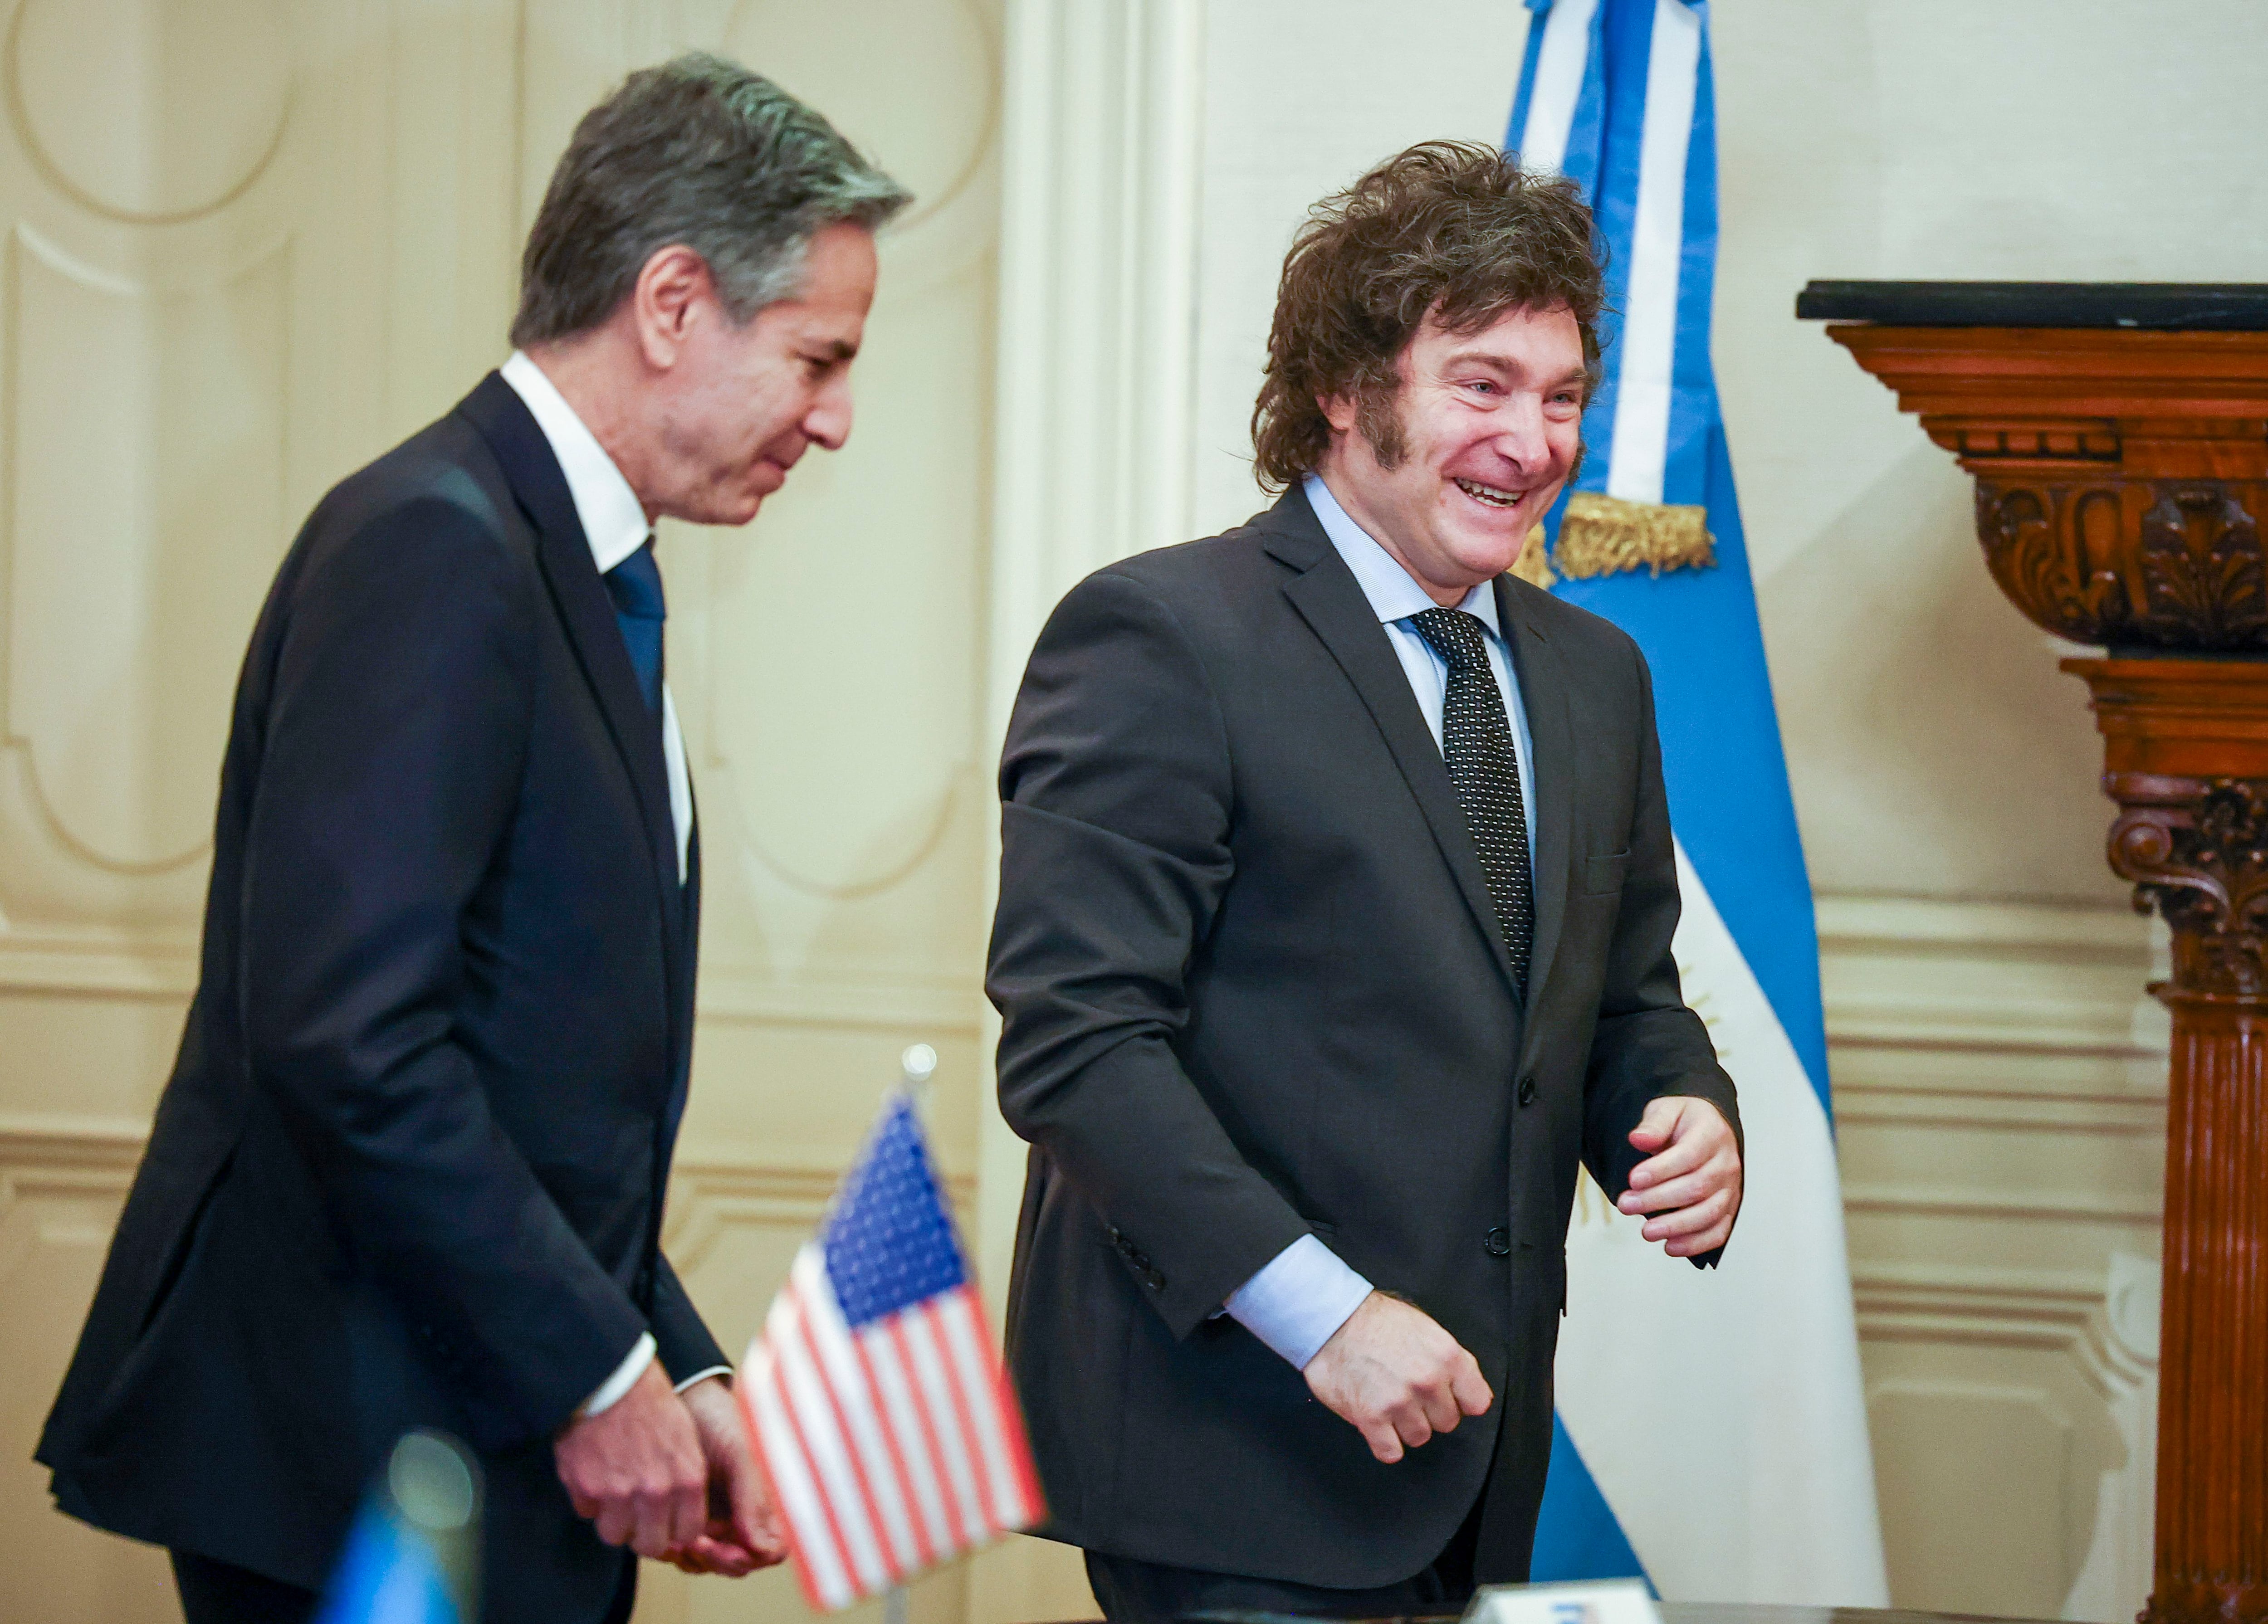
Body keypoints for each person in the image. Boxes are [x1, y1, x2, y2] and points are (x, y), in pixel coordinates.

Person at [35, 54, 908, 1624]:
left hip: (463, 1430)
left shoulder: (560, 557)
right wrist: (596, 1374)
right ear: (670, 302)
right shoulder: (435, 548)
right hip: (358, 1470)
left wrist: (675, 1362)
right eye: (817, 357)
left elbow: (536, 1082)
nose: (837, 420)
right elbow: (352, 1041)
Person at [988, 141, 1745, 1619]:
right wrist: (1322, 1317)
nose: (1533, 442)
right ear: (1346, 390)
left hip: (1478, 1451)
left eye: (1562, 396)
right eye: (1482, 384)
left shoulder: (1598, 675)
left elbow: (1618, 998)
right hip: (1237, 1452)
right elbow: (1079, 1042)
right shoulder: (1160, 635)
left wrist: (1685, 1110)